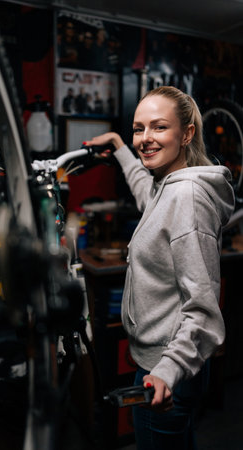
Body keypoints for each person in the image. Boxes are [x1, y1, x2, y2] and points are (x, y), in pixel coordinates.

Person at [84, 86, 235, 450]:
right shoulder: (167, 185)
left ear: (187, 134)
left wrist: (165, 371)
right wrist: (120, 147)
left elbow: (203, 312)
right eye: (139, 129)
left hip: (168, 370)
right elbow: (145, 193)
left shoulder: (186, 198)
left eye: (159, 127)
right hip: (171, 365)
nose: (145, 139)